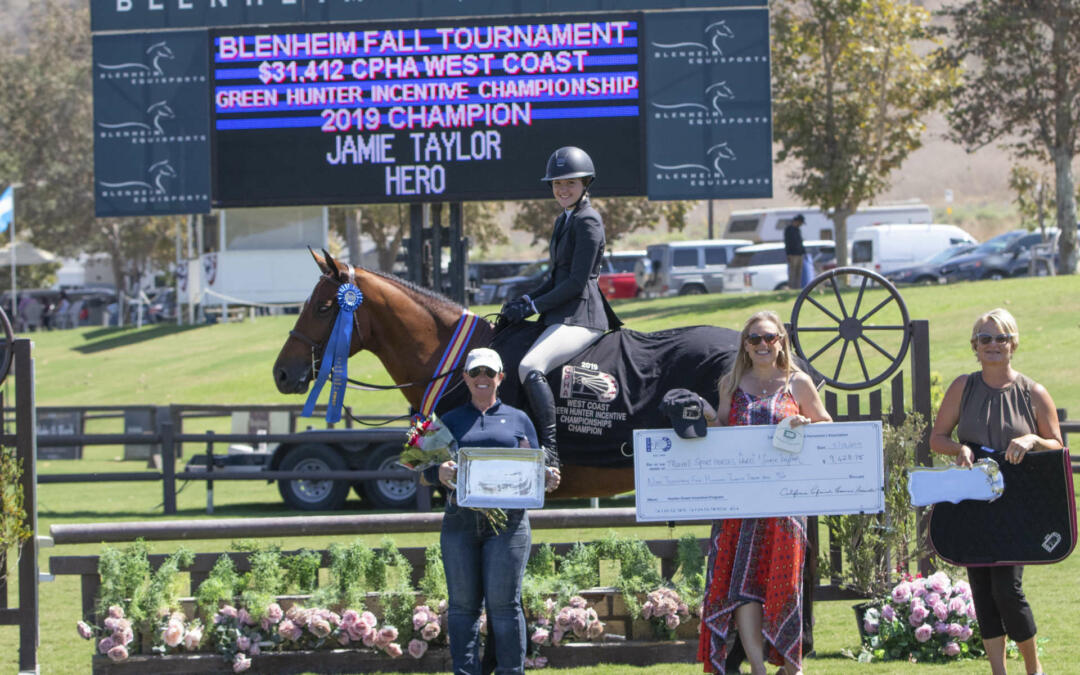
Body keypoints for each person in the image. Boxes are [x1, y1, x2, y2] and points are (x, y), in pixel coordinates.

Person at [694, 310, 832, 675]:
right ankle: (756, 666)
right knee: (741, 583)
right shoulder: (731, 384)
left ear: (782, 341)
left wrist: (806, 425)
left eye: (770, 337)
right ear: (745, 344)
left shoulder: (798, 383)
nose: (762, 345)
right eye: (754, 339)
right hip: (739, 502)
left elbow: (828, 428)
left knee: (784, 582)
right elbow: (723, 432)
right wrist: (709, 417)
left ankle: (790, 663)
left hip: (786, 503)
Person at [929, 308, 1061, 675]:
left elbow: (1058, 448)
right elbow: (937, 439)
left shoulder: (1033, 392)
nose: (993, 345)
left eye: (1000, 338)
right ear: (975, 346)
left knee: (1008, 590)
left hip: (1017, 506)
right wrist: (960, 449)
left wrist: (1033, 438)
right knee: (983, 592)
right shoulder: (963, 386)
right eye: (985, 338)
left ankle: (1034, 670)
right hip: (973, 502)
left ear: (1013, 343)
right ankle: (998, 672)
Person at [422, 347, 560, 675]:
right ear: (465, 378)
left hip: (509, 525)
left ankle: (511, 671)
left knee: (504, 606)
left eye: (489, 373)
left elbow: (534, 468)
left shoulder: (519, 419)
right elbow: (421, 466)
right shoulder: (449, 419)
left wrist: (547, 478)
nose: (482, 378)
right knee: (462, 608)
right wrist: (437, 472)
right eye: (475, 373)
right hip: (460, 522)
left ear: (501, 377)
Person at [498, 146, 622, 465]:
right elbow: (556, 276)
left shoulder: (588, 220)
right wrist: (525, 300)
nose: (562, 189)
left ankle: (551, 451)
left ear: (585, 184)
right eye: (557, 184)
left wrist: (532, 307)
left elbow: (576, 283)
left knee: (529, 366)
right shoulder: (563, 219)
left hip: (582, 316)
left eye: (569, 183)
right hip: (560, 314)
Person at [784, 214, 806, 290]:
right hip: (792, 254)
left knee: (798, 272)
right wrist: (788, 254)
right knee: (792, 272)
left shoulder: (797, 230)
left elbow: (800, 242)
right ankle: (791, 287)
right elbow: (787, 242)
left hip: (800, 254)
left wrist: (803, 251)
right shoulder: (789, 229)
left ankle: (797, 287)